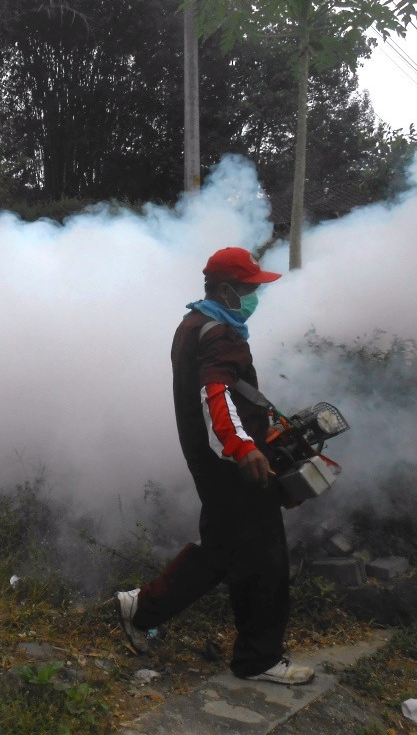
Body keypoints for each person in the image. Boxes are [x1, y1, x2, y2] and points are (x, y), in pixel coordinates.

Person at [114, 246, 313, 685]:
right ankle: (258, 661)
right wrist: (243, 448)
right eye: (248, 288)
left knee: (223, 552)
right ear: (225, 289)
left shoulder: (191, 324)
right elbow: (215, 395)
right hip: (231, 467)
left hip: (211, 462)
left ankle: (140, 608)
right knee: (265, 559)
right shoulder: (220, 333)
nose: (253, 296)